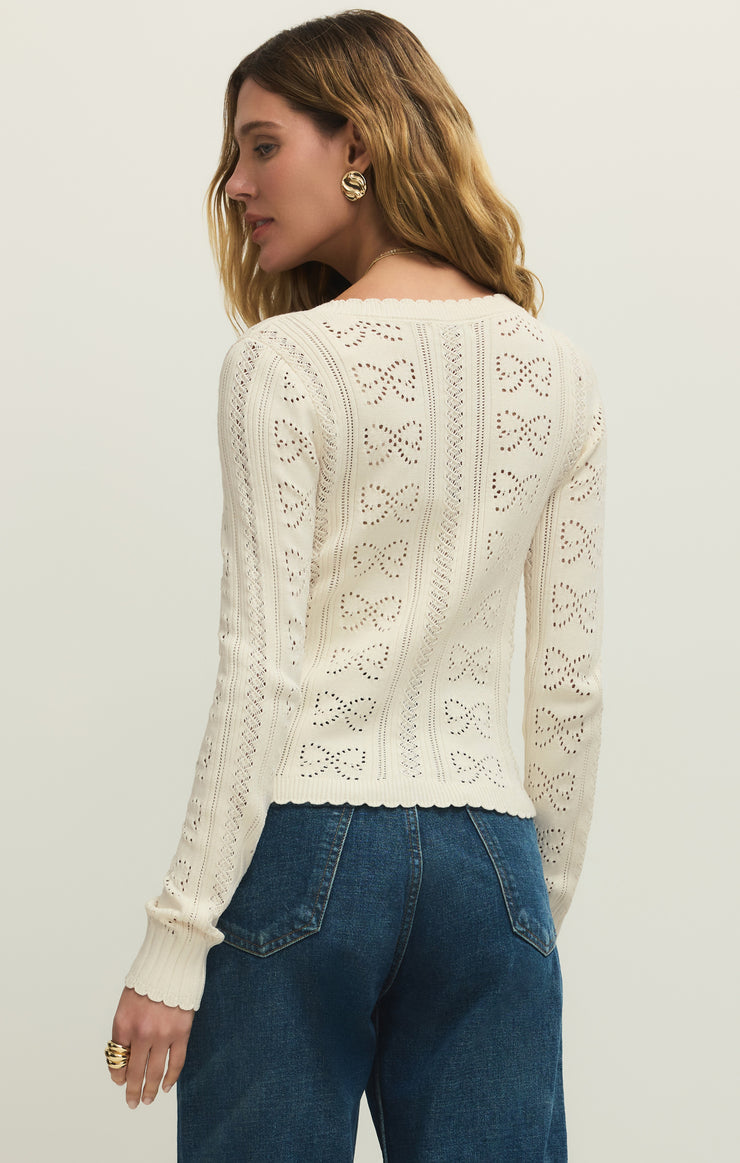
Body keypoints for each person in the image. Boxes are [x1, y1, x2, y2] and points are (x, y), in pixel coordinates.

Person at [107, 10, 606, 1161]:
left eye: (260, 145)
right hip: (494, 861)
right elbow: (569, 682)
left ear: (359, 145)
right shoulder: (559, 372)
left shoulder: (283, 363)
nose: (234, 184)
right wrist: (530, 912)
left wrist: (174, 938)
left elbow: (262, 670)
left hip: (304, 846)